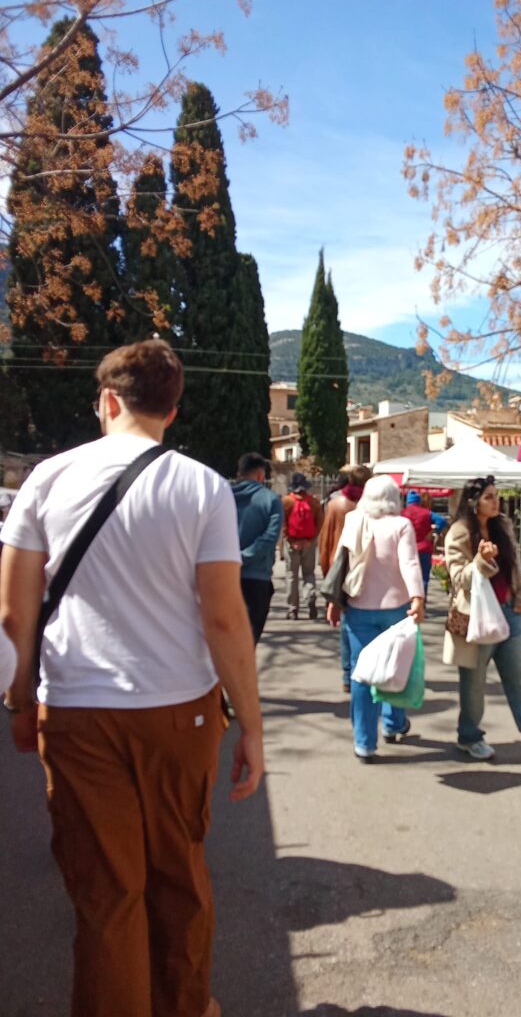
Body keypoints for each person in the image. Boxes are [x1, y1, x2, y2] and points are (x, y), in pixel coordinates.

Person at [0, 339, 264, 1017]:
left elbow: (11, 610)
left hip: (79, 713)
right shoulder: (202, 487)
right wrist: (253, 729)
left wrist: (21, 701)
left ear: (108, 400)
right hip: (183, 712)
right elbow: (225, 621)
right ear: (172, 412)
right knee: (179, 875)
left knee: (106, 896)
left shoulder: (47, 479)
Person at [443, 475, 521, 767]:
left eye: (496, 495)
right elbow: (459, 578)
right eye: (488, 496)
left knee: (519, 681)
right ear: (473, 502)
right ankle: (470, 736)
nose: (495, 501)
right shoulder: (459, 532)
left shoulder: (504, 526)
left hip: (509, 613)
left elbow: (517, 568)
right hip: (476, 619)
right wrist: (480, 561)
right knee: (473, 685)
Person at [327, 475, 424, 762]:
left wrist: (334, 601)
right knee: (396, 667)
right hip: (397, 608)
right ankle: (393, 725)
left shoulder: (355, 520)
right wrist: (417, 597)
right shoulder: (401, 525)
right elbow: (409, 562)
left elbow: (340, 562)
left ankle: (364, 742)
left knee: (362, 673)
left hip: (358, 607)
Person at [318, 465, 372, 691]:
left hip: (339, 567)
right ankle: (362, 670)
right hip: (365, 567)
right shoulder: (371, 507)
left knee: (346, 624)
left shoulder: (336, 504)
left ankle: (347, 674)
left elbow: (326, 540)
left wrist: (326, 571)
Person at [232, 452, 284, 643]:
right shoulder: (271, 500)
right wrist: (245, 556)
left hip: (224, 575)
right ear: (261, 475)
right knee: (248, 641)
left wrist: (231, 558)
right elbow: (270, 538)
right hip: (257, 577)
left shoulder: (224, 496)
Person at [282, 472, 324, 620]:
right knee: (309, 573)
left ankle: (292, 609)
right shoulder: (314, 502)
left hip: (292, 544)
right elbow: (320, 522)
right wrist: (310, 539)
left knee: (291, 575)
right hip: (309, 543)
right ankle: (310, 596)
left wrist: (290, 539)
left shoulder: (286, 501)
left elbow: (282, 523)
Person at [401, 489, 448, 597]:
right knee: (423, 578)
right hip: (424, 548)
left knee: (405, 577)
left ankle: (409, 602)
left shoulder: (402, 513)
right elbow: (442, 521)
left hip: (407, 549)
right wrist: (434, 531)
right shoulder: (426, 513)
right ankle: (422, 601)